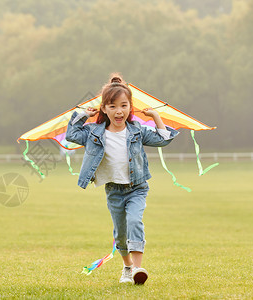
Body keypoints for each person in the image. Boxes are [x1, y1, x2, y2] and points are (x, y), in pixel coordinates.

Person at [65, 73, 179, 285]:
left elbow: (164, 140)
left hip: (137, 188)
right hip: (114, 191)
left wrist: (155, 116)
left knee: (135, 221)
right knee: (120, 234)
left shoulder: (137, 131)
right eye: (112, 106)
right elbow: (71, 134)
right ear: (104, 109)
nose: (119, 111)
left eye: (124, 105)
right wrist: (83, 116)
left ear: (130, 108)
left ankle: (137, 268)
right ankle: (127, 267)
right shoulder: (94, 133)